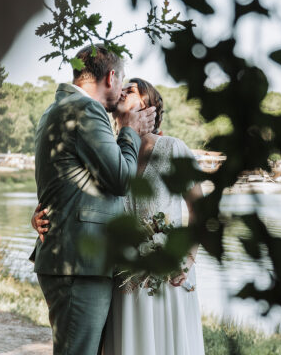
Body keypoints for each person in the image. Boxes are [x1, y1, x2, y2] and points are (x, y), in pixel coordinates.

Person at [33, 78, 205, 355]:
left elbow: (200, 210)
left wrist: (186, 258)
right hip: (121, 278)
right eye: (121, 87)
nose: (122, 91)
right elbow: (77, 195)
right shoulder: (111, 152)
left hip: (168, 275)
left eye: (131, 90)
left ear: (149, 105)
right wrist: (40, 213)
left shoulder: (174, 149)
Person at [29, 44, 157, 355]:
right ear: (111, 77)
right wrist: (129, 132)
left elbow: (70, 181)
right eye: (123, 81)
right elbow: (120, 179)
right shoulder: (85, 110)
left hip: (73, 258)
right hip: (79, 264)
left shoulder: (57, 109)